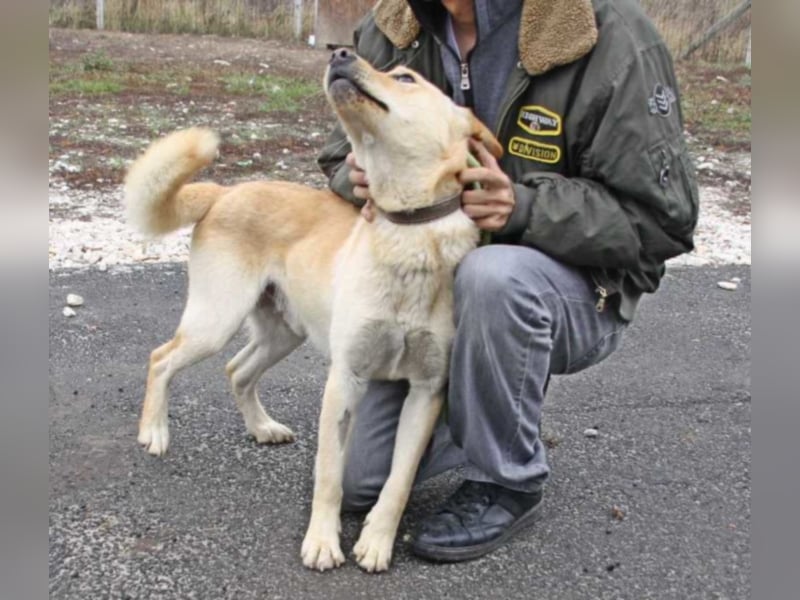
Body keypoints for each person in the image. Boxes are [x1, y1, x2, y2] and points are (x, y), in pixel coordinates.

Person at [317, 0, 698, 562]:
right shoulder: (394, 24)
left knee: (493, 277)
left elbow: (664, 219)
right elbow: (336, 153)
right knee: (356, 484)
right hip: (434, 299)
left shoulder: (611, 38)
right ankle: (466, 399)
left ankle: (507, 478)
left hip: (566, 285)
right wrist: (357, 177)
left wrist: (524, 207)